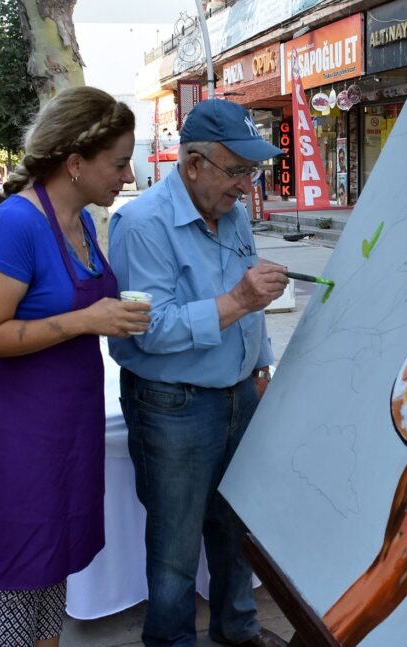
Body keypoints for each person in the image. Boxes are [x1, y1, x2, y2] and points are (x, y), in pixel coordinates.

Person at [0, 86, 151, 647]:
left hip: (67, 424)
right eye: (118, 162)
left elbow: (34, 311)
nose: (127, 175)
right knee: (23, 576)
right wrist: (85, 320)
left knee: (55, 564)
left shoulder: (82, 223)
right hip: (17, 431)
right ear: (75, 163)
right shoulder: (15, 224)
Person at [108, 99, 289, 647]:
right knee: (175, 544)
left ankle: (238, 628)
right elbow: (149, 329)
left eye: (251, 172)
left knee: (235, 527)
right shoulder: (142, 224)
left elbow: (253, 304)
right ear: (193, 164)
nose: (246, 186)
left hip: (240, 392)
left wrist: (260, 363)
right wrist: (237, 300)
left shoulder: (233, 214)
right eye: (236, 171)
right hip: (173, 406)